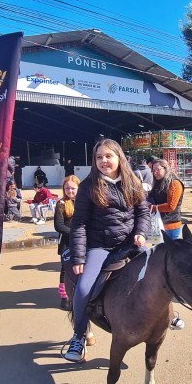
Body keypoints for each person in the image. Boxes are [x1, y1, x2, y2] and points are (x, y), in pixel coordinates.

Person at [64, 139, 150, 362]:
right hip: (100, 246)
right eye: (99, 157)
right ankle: (78, 336)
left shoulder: (133, 182)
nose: (104, 161)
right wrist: (79, 256)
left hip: (132, 244)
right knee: (83, 288)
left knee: (161, 271)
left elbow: (143, 214)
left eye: (108, 156)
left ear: (119, 158)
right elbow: (79, 223)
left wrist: (141, 233)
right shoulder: (88, 186)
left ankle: (167, 315)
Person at [147, 158, 187, 331]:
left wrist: (153, 207)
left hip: (171, 227)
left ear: (166, 168)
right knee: (158, 264)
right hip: (157, 228)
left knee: (175, 263)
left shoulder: (174, 183)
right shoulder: (157, 183)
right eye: (154, 169)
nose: (156, 172)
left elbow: (171, 206)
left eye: (158, 169)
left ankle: (181, 292)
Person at [55, 175, 79, 311]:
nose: (70, 191)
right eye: (67, 188)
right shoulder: (61, 204)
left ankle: (78, 293)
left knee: (80, 267)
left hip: (82, 242)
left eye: (73, 188)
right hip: (66, 242)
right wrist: (75, 233)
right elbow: (59, 226)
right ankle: (64, 298)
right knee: (65, 269)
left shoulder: (83, 202)